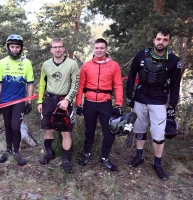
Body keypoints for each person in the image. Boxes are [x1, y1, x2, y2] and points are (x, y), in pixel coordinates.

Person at [126, 28, 181, 181]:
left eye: (164, 40)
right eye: (158, 39)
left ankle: (157, 163)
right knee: (140, 129)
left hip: (159, 100)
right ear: (154, 40)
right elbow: (131, 76)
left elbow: (175, 84)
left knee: (158, 133)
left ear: (169, 42)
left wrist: (172, 106)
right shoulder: (141, 55)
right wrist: (128, 96)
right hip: (140, 97)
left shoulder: (174, 61)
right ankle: (139, 155)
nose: (161, 42)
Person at [75, 38, 123, 172]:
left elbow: (118, 85)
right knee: (89, 131)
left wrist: (118, 104)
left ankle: (104, 158)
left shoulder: (114, 65)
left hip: (105, 103)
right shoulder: (86, 66)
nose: (99, 50)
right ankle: (87, 154)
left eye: (102, 48)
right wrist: (78, 104)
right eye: (97, 48)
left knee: (109, 132)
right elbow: (81, 86)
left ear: (106, 49)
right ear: (93, 49)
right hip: (89, 103)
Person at [37, 37, 79, 174]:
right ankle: (49, 153)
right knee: (48, 130)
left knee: (65, 132)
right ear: (51, 50)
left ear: (64, 48)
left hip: (64, 101)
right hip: (49, 100)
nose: (57, 49)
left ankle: (66, 160)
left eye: (60, 46)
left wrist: (67, 100)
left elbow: (75, 84)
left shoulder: (72, 64)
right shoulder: (46, 64)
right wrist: (39, 101)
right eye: (54, 47)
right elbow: (42, 83)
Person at [0, 34, 34, 166]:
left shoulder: (26, 63)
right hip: (5, 100)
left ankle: (16, 151)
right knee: (7, 125)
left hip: (19, 100)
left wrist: (29, 102)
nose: (15, 49)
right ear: (8, 47)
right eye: (12, 46)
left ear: (21, 48)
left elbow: (30, 83)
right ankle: (8, 150)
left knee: (15, 127)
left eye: (17, 47)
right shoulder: (2, 63)